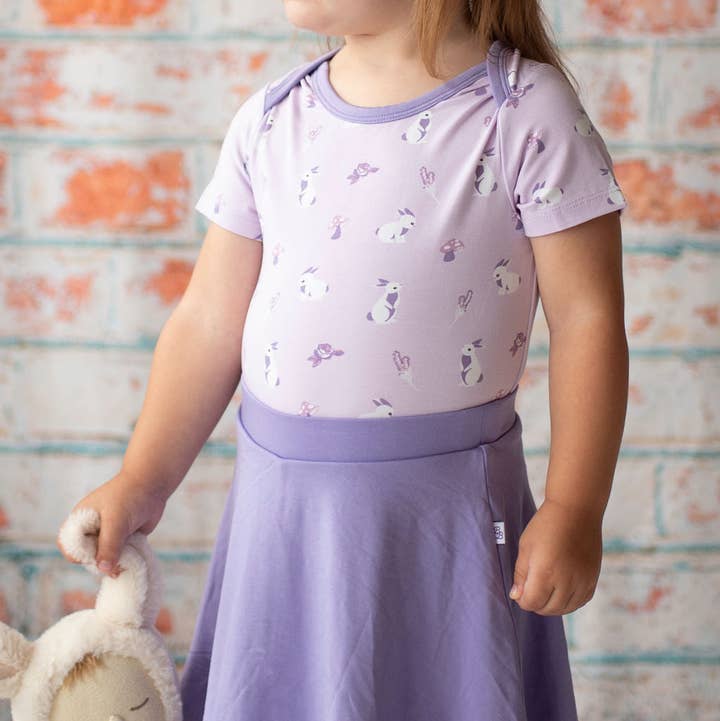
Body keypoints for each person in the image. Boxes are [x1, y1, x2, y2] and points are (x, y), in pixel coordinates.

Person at [57, 0, 630, 719]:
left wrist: (576, 505)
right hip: (282, 517)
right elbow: (207, 322)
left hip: (444, 524)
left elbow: (587, 321)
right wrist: (144, 477)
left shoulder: (523, 112)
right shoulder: (272, 120)